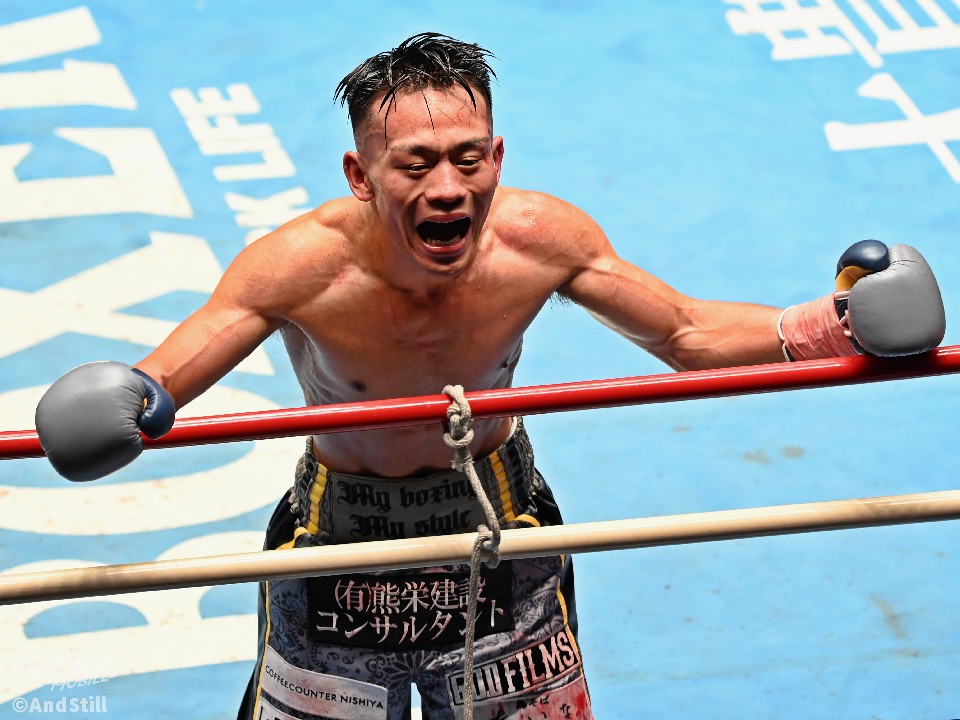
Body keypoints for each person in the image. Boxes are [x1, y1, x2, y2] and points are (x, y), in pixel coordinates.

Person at [34, 33, 945, 720]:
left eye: (468, 158)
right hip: (339, 547)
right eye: (416, 164)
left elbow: (686, 333)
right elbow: (166, 376)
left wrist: (834, 325)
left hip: (499, 532)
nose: (448, 188)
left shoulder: (540, 240)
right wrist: (129, 395)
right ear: (361, 174)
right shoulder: (297, 268)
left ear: (496, 159)